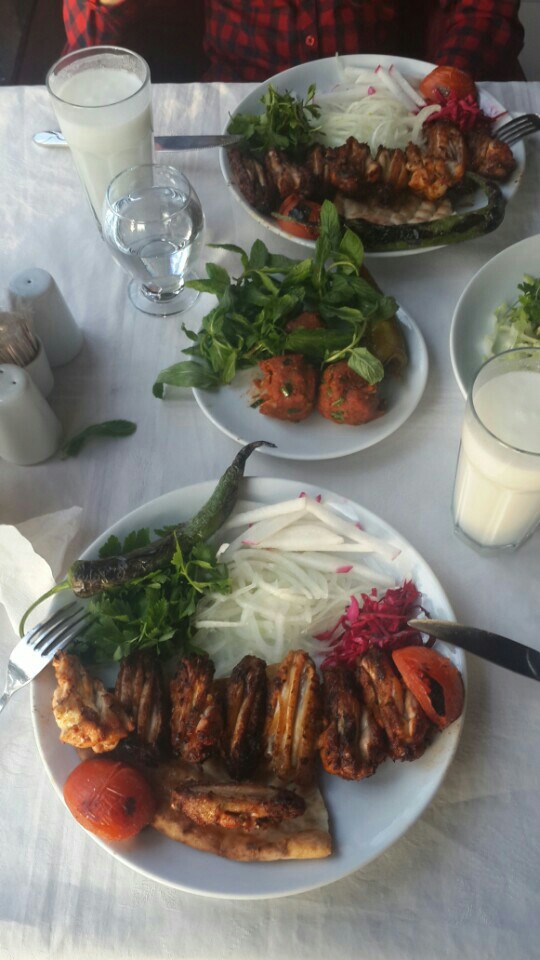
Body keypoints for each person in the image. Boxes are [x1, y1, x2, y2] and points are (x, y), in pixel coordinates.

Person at [62, 0, 525, 84]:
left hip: (382, 100)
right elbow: (88, 54)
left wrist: (446, 84)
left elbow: (485, 10)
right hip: (235, 111)